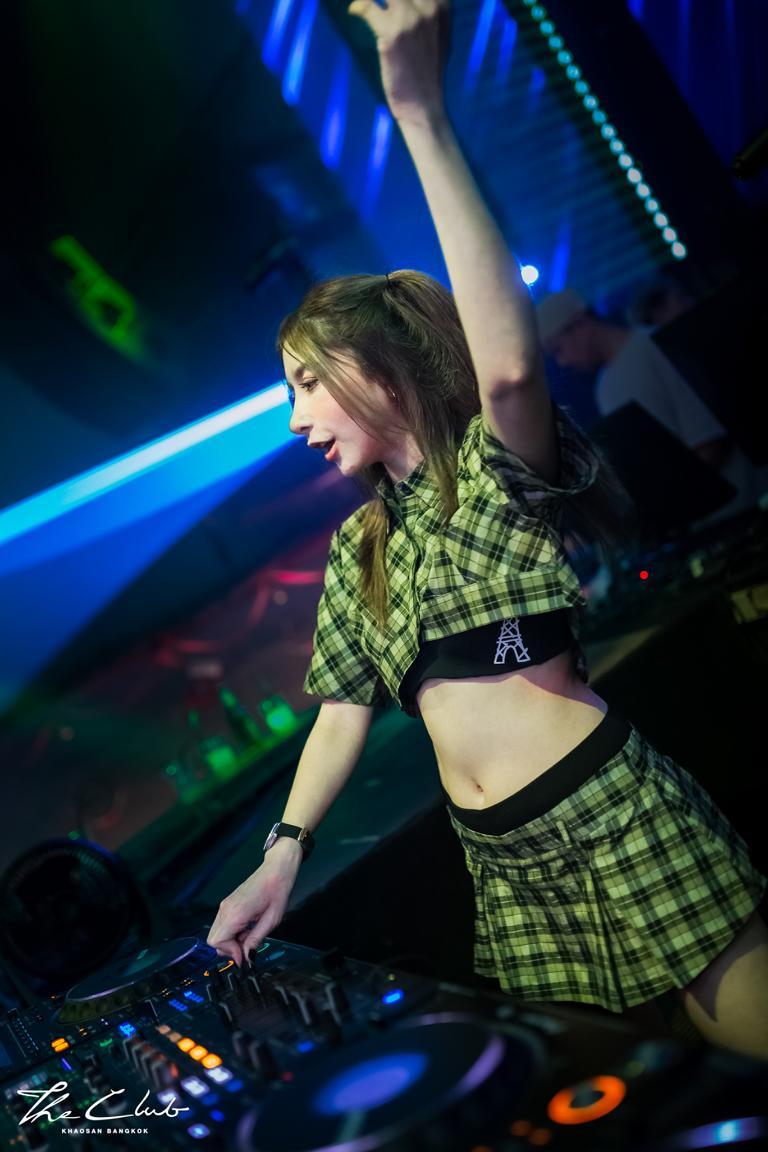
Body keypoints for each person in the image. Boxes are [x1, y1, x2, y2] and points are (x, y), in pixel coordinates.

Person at [208, 0, 768, 1060]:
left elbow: (508, 366)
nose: (294, 420)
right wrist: (282, 854)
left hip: (610, 812)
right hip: (504, 874)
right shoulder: (359, 549)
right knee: (600, 1108)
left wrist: (419, 113)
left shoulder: (491, 468)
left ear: (380, 370)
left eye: (306, 384)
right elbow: (341, 715)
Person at [535, 287, 765, 522]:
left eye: (559, 349)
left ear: (580, 324)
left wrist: (670, 502)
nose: (563, 362)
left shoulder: (655, 345)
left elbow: (710, 438)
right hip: (701, 521)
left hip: (744, 507)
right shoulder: (604, 387)